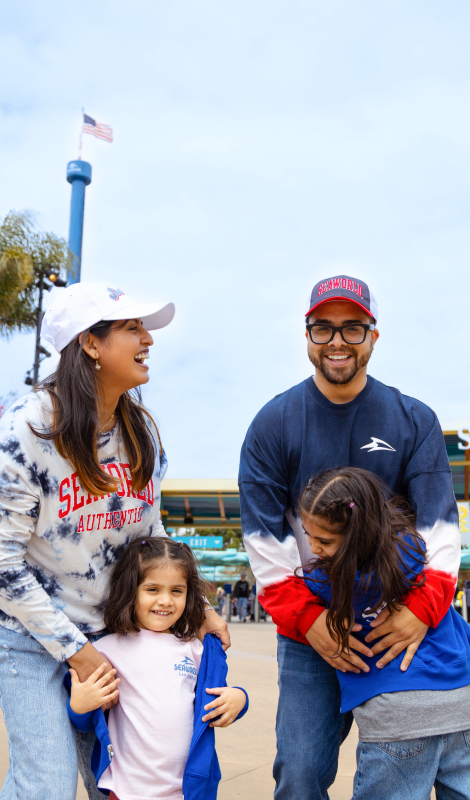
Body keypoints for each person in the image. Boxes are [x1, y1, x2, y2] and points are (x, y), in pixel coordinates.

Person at [0, 281, 229, 800]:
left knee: (116, 782)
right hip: (31, 638)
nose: (147, 338)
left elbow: (150, 536)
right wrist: (77, 655)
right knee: (47, 786)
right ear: (90, 343)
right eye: (132, 328)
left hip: (112, 634)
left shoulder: (138, 433)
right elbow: (3, 562)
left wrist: (197, 603)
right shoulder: (26, 428)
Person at [238, 275, 461, 799]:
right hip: (313, 624)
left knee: (407, 765)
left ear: (373, 336)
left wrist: (423, 608)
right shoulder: (273, 423)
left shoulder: (414, 419)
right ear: (307, 335)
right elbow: (264, 539)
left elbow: (439, 525)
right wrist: (307, 618)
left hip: (398, 618)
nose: (337, 341)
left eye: (352, 328)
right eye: (323, 328)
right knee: (300, 772)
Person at [299, 467, 470, 800]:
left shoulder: (329, 582)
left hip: (394, 719)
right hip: (462, 708)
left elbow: (291, 597)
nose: (312, 547)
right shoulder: (421, 555)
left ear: (357, 534)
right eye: (308, 534)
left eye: (324, 540)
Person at [66, 536, 248, 800]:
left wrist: (240, 698)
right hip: (127, 789)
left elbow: (219, 697)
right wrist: (79, 707)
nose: (166, 600)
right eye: (152, 589)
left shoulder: (195, 649)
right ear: (130, 591)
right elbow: (85, 723)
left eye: (177, 591)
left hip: (186, 789)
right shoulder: (106, 651)